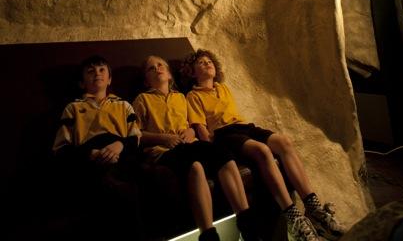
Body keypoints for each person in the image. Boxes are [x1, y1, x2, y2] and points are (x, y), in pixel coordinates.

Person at [184, 49, 346, 241]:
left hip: (244, 127)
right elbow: (201, 128)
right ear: (192, 72)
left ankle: (315, 210)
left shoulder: (223, 88)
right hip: (224, 134)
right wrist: (212, 152)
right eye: (201, 62)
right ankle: (294, 218)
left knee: (283, 142)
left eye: (209, 61)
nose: (207, 63)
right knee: (262, 150)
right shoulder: (192, 96)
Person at [132, 55, 260, 241]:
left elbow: (191, 125)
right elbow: (136, 134)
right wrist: (163, 138)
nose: (157, 68)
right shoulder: (142, 99)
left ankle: (247, 223)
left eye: (161, 65)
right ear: (146, 80)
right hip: (163, 151)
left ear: (169, 75)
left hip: (188, 145)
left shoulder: (181, 98)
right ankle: (208, 234)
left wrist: (190, 133)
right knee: (195, 166)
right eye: (151, 68)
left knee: (222, 154)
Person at [52, 54, 142, 236]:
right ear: (81, 83)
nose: (97, 74)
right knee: (109, 186)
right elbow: (60, 148)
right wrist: (90, 154)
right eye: (90, 71)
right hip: (89, 157)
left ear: (109, 79)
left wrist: (119, 145)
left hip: (121, 154)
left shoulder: (124, 105)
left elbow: (135, 137)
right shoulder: (73, 108)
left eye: (102, 70)